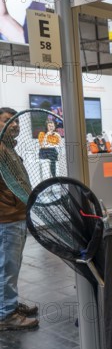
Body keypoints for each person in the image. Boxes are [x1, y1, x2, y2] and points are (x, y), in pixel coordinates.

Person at [0, 107, 39, 331]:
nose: (14, 124)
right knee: (8, 268)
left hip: (16, 217)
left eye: (16, 121)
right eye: (8, 121)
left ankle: (9, 304)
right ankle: (6, 315)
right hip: (7, 220)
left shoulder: (8, 148)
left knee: (11, 266)